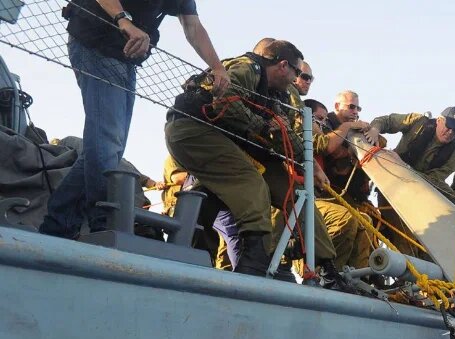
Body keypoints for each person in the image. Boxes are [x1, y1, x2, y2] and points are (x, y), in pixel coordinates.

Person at [39, 0, 228, 239]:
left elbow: (192, 25)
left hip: (125, 55)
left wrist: (217, 67)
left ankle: (58, 224)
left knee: (108, 148)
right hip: (95, 40)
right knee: (107, 142)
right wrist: (123, 20)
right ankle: (103, 222)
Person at [165, 39, 337, 277]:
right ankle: (254, 262)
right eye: (297, 73)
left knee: (298, 193)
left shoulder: (278, 95)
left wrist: (309, 166)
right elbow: (224, 103)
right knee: (251, 182)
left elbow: (282, 134)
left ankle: (326, 267)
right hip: (194, 130)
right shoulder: (247, 68)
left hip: (239, 142)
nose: (297, 80)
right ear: (283, 65)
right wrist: (265, 126)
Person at [369, 107, 455, 256]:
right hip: (389, 185)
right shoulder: (418, 122)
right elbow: (387, 121)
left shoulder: (454, 157)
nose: (451, 132)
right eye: (449, 126)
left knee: (418, 243)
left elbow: (434, 181)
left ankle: (413, 275)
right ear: (439, 120)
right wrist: (374, 129)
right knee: (400, 236)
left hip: (418, 198)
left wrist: (404, 166)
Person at [313, 91, 382, 270]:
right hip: (326, 192)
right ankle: (331, 272)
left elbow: (380, 142)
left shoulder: (354, 128)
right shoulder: (326, 124)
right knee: (347, 220)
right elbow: (327, 148)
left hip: (350, 195)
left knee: (367, 222)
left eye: (358, 107)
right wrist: (351, 144)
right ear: (337, 107)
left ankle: (361, 276)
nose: (355, 111)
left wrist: (373, 131)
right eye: (351, 106)